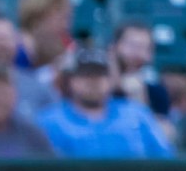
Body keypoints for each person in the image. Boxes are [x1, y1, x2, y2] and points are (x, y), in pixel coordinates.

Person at [38, 47, 174, 157]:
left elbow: (164, 159)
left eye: (100, 74)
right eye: (85, 74)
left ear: (111, 79)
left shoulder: (136, 115)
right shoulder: (50, 121)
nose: (93, 81)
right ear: (70, 80)